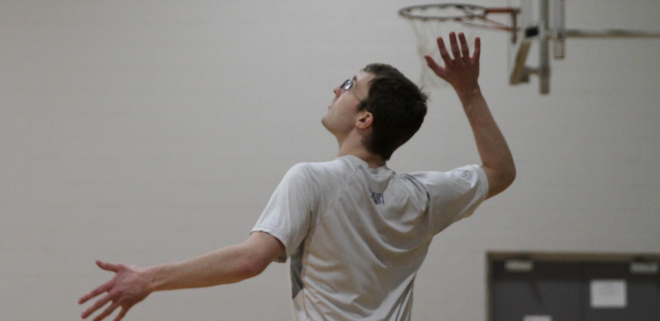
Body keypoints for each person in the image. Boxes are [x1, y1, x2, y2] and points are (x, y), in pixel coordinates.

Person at [78, 33, 515, 321]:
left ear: (364, 118)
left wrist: (148, 279)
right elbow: (500, 171)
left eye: (349, 85)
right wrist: (469, 91)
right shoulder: (422, 196)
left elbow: (251, 259)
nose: (336, 89)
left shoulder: (312, 179)